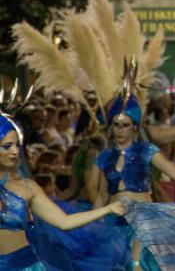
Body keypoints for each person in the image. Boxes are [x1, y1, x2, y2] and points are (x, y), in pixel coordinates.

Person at [88, 88, 175, 270]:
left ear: (135, 127)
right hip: (114, 223)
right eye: (116, 125)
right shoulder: (105, 156)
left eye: (125, 125)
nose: (120, 130)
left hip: (143, 219)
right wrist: (91, 223)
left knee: (139, 265)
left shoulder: (146, 150)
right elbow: (102, 194)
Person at [0, 93, 126, 271]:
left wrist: (108, 209)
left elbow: (64, 221)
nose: (14, 152)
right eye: (6, 146)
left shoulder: (27, 187)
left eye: (16, 145)